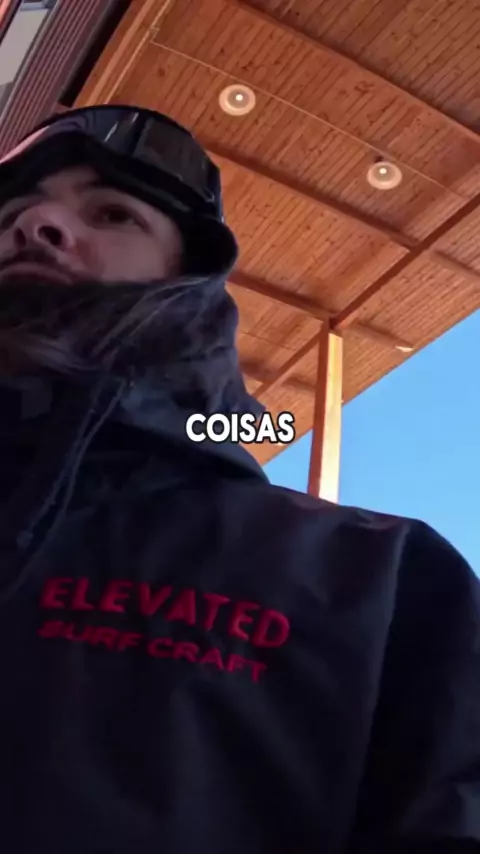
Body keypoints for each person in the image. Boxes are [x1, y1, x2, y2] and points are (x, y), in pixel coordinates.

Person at [0, 104, 477, 854]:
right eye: (13, 214)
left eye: (113, 212)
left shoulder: (378, 581)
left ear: (189, 283)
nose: (37, 225)